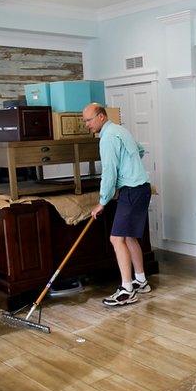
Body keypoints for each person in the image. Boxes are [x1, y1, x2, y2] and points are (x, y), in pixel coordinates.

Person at [84, 103, 152, 307]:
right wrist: (131, 169)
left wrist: (102, 202)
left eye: (89, 120)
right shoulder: (120, 130)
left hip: (131, 191)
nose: (86, 125)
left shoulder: (107, 138)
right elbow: (140, 150)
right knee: (129, 237)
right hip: (141, 188)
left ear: (101, 117)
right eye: (85, 121)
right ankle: (140, 281)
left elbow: (109, 171)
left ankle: (127, 290)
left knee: (116, 239)